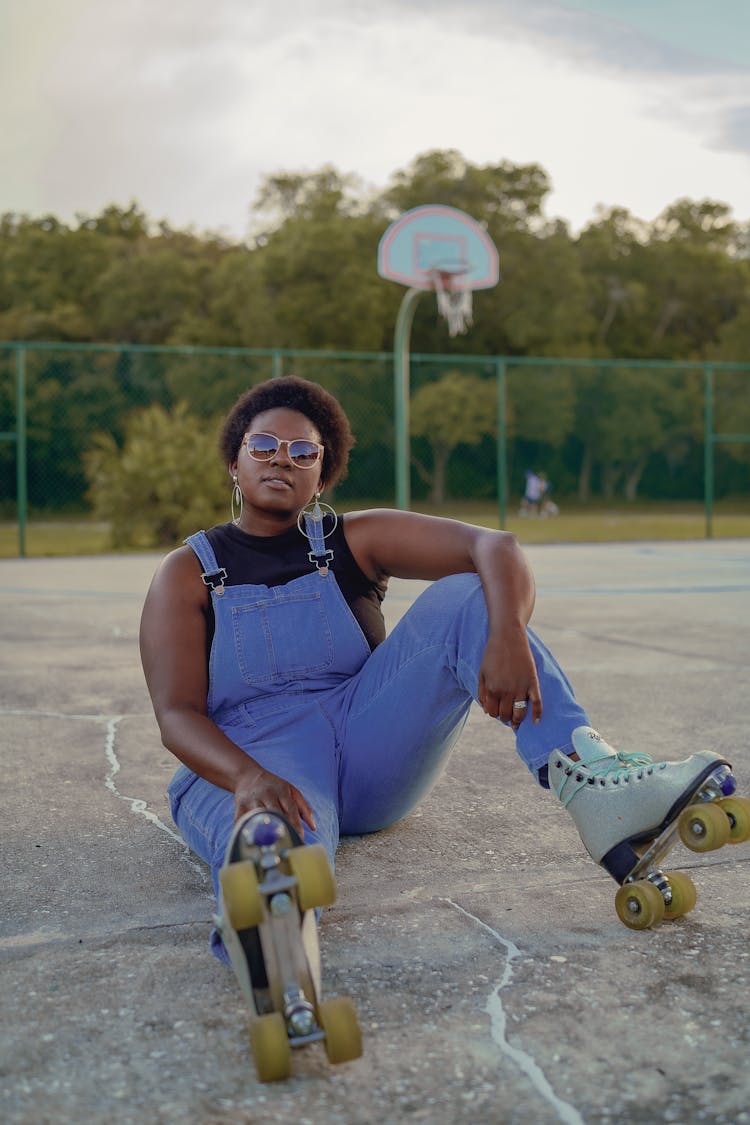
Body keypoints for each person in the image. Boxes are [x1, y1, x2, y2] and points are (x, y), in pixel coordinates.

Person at [140, 375, 731, 967]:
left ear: (322, 476)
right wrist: (244, 776)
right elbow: (177, 715)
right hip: (257, 756)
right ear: (235, 460)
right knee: (276, 844)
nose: (281, 461)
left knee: (466, 595)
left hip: (367, 740)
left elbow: (494, 547)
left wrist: (504, 634)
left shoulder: (352, 541)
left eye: (303, 452)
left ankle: (591, 781)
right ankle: (274, 938)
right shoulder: (188, 570)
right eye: (263, 446)